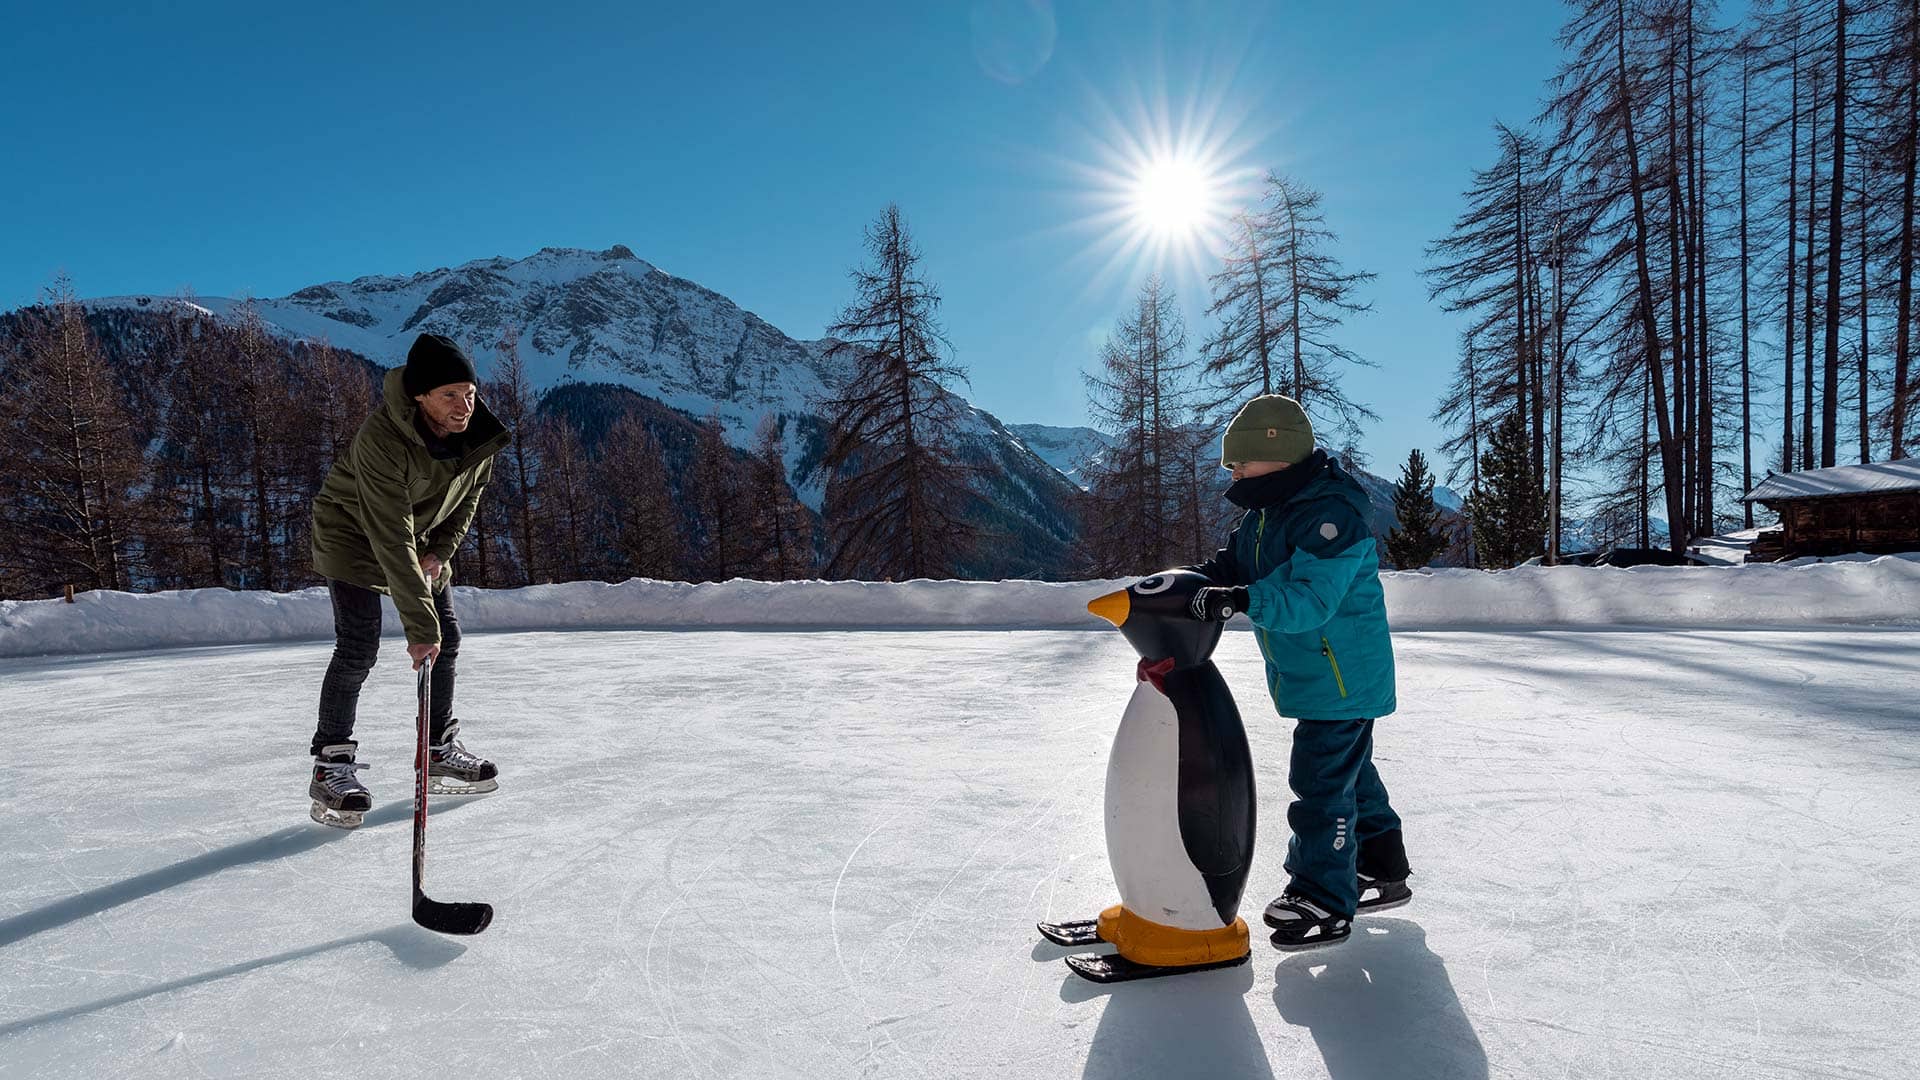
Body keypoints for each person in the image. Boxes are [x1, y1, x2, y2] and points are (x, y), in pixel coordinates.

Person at [1183, 394, 1410, 949]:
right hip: (1319, 677)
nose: (1232, 472)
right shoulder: (1263, 518)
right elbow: (1225, 568)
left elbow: (1309, 600)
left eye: (1239, 462)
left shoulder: (1330, 516)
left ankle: (1324, 898)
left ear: (1279, 456)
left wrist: (1238, 600)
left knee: (1321, 783)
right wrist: (1188, 584)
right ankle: (1382, 868)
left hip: (1342, 679)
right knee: (1349, 776)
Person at [305, 332, 512, 828]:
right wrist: (419, 627)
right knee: (358, 646)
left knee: (450, 637)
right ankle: (331, 766)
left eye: (469, 392)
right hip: (353, 534)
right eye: (449, 395)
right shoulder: (381, 438)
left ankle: (438, 748)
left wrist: (440, 552)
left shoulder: (479, 434)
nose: (464, 405)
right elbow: (389, 534)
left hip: (419, 537)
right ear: (420, 396)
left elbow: (466, 503)